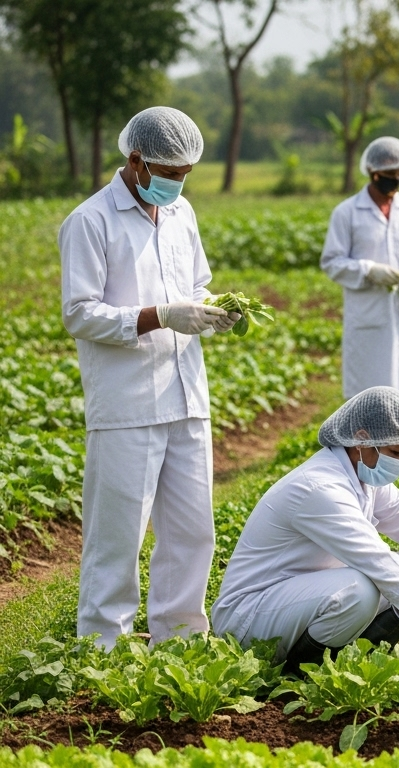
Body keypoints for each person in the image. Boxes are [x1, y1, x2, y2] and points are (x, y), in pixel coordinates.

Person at [60, 106, 240, 648]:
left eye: (185, 176)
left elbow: (198, 283)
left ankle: (180, 637)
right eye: (170, 174)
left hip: (186, 394)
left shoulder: (182, 214)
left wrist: (213, 309)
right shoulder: (91, 221)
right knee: (118, 535)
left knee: (192, 531)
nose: (178, 185)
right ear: (136, 161)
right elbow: (79, 313)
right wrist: (159, 315)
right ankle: (102, 647)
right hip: (128, 402)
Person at [212, 387, 399, 673]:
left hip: (303, 595)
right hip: (250, 616)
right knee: (358, 591)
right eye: (397, 452)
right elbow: (379, 563)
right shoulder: (319, 488)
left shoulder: (363, 477)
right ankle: (300, 673)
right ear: (361, 440)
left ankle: (358, 661)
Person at [321, 137, 399, 415]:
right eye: (390, 175)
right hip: (368, 315)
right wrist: (368, 270)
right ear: (374, 174)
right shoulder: (347, 212)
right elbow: (331, 262)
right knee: (369, 399)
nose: (397, 181)